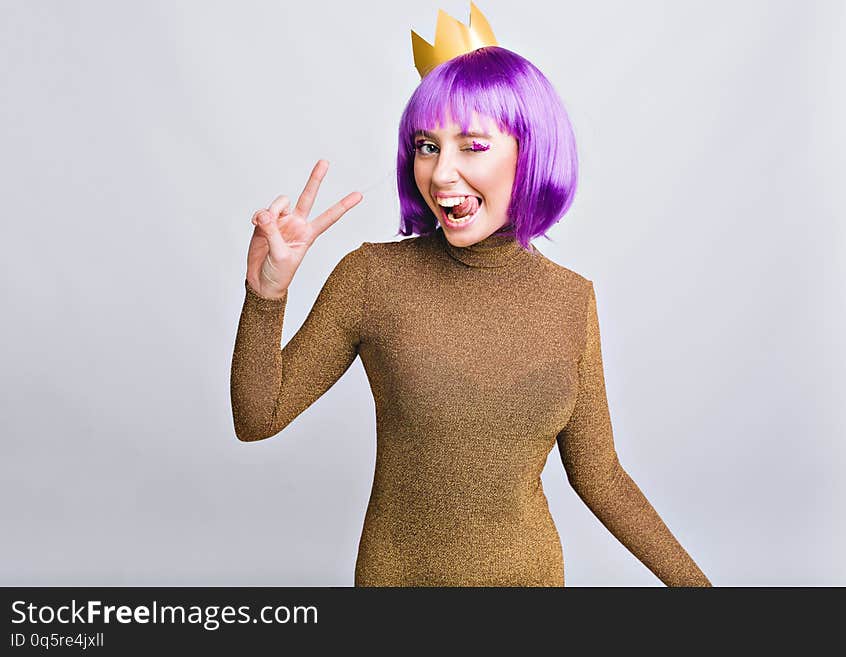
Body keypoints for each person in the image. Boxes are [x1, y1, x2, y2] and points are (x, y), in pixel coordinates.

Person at [230, 3, 711, 587]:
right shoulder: (371, 278)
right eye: (427, 146)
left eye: (473, 146)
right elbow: (258, 418)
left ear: (528, 153)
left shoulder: (570, 301)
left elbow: (601, 476)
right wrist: (266, 295)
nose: (440, 174)